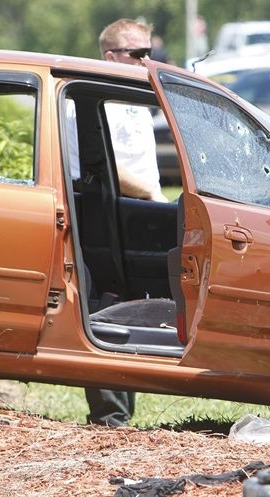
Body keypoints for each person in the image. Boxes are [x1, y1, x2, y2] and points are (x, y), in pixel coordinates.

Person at [84, 18, 168, 427]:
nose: (146, 61)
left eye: (150, 53)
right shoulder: (98, 104)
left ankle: (119, 414)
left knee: (136, 311)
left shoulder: (133, 99)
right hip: (111, 216)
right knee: (109, 311)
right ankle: (109, 417)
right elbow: (105, 171)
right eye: (138, 54)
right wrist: (154, 198)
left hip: (142, 216)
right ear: (111, 57)